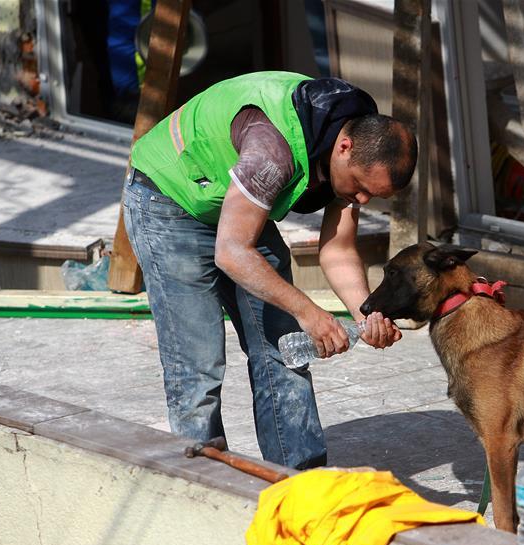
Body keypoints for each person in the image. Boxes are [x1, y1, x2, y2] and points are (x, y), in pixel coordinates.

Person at [123, 72, 414, 469]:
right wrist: (309, 312)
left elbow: (339, 248)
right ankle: (203, 482)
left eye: (372, 196)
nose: (361, 199)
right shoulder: (272, 151)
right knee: (197, 367)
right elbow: (232, 252)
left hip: (235, 204)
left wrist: (368, 315)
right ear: (344, 148)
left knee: (284, 348)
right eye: (361, 187)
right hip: (167, 196)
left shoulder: (353, 140)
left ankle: (300, 480)